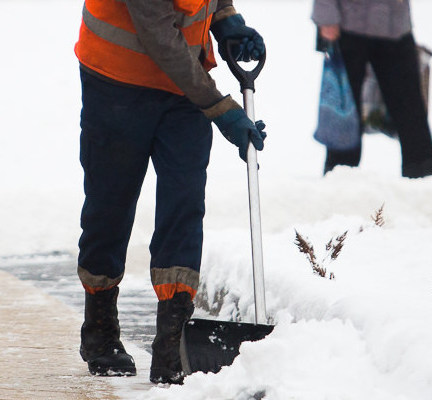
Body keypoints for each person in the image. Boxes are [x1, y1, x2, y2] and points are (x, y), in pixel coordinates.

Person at [73, 0, 266, 385]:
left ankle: (171, 344)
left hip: (184, 91)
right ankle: (100, 331)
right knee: (110, 206)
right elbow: (159, 37)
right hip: (117, 82)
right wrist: (220, 107)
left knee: (185, 202)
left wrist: (227, 21)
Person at [312, 0, 432, 178]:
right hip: (349, 23)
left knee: (408, 95)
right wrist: (326, 15)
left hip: (395, 23)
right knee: (346, 103)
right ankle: (341, 171)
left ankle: (421, 162)